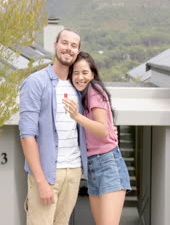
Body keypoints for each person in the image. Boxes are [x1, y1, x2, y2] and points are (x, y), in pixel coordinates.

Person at [18, 29, 88, 225]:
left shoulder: (79, 85)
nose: (68, 48)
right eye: (64, 43)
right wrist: (41, 181)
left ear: (78, 51)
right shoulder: (35, 82)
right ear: (55, 45)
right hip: (48, 173)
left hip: (73, 171)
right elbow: (27, 136)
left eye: (74, 45)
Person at [63, 51, 131, 225]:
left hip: (108, 164)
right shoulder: (81, 95)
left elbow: (103, 131)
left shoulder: (94, 91)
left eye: (85, 72)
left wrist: (76, 116)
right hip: (93, 167)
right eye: (75, 73)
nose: (80, 77)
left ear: (93, 74)